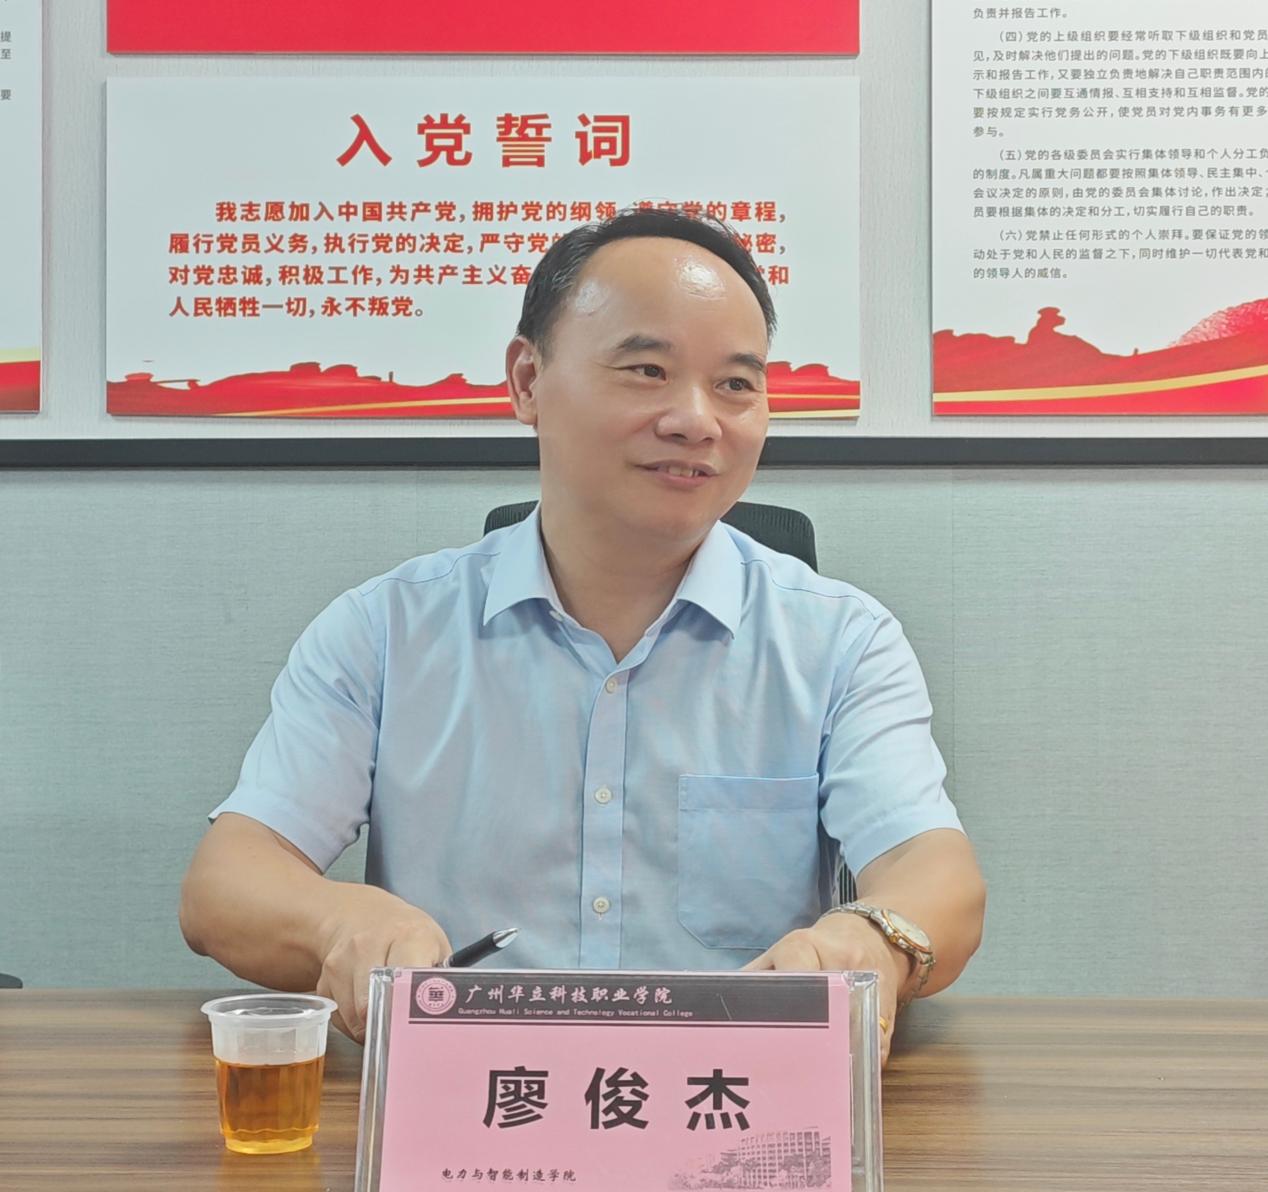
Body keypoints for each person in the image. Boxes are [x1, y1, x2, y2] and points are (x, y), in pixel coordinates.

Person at [180, 208, 986, 1064]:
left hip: (729, 1094)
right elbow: (227, 883)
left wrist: (871, 939)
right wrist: (340, 920)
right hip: (473, 1094)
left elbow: (937, 875)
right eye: (647, 370)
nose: (696, 420)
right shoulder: (385, 631)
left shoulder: (839, 641)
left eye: (735, 385)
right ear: (528, 381)